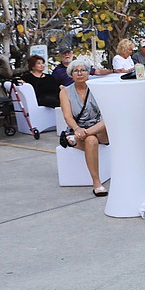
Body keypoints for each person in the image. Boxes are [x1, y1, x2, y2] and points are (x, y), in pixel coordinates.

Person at [58, 58, 109, 196]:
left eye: (83, 70)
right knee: (90, 140)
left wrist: (82, 132)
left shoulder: (96, 88)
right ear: (71, 74)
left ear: (88, 73)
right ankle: (97, 183)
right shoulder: (65, 92)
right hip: (77, 129)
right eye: (76, 71)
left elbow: (106, 112)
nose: (79, 73)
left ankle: (83, 135)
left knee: (109, 120)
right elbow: (67, 116)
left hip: (99, 128)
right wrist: (76, 129)